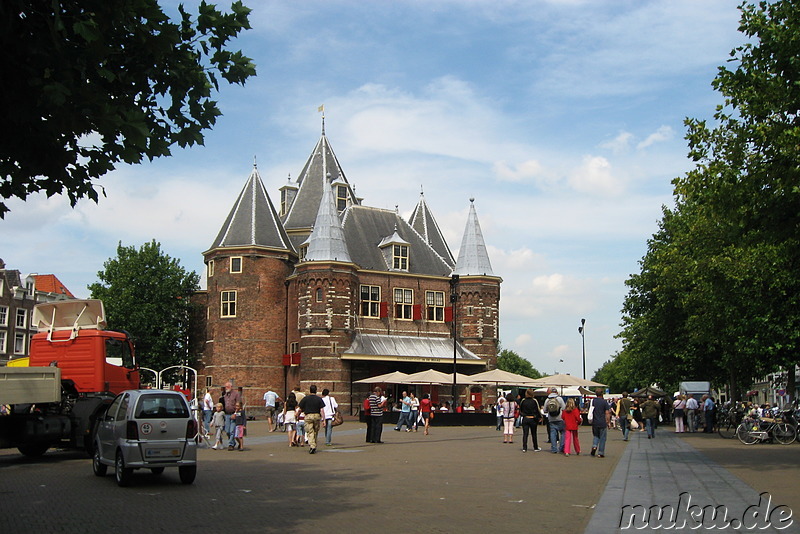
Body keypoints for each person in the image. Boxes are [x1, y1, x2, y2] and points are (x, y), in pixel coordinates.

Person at [298, 385, 325, 454]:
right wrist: (323, 420)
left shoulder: (305, 399)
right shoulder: (319, 399)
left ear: (310, 390)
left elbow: (300, 409)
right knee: (315, 431)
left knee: (310, 432)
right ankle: (314, 445)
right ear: (316, 390)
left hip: (308, 416)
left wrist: (297, 415)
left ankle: (312, 446)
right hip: (317, 416)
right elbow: (322, 410)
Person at [590, 388, 612, 458]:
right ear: (602, 393)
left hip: (595, 422)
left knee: (596, 436)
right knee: (602, 437)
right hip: (602, 422)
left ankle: (594, 446)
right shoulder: (604, 402)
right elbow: (607, 413)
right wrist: (608, 422)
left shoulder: (593, 401)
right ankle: (600, 452)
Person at [543, 387, 566, 453]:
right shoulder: (559, 399)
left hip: (551, 419)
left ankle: (554, 449)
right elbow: (564, 408)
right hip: (560, 418)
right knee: (563, 433)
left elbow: (545, 410)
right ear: (556, 392)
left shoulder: (547, 399)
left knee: (553, 434)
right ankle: (561, 448)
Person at [222, 381, 242, 451]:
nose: (226, 388)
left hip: (233, 414)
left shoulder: (236, 394)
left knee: (232, 431)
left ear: (231, 387)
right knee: (227, 430)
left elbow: (238, 405)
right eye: (225, 387)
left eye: (227, 387)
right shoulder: (225, 395)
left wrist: (235, 413)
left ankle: (231, 444)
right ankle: (234, 442)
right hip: (227, 414)